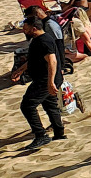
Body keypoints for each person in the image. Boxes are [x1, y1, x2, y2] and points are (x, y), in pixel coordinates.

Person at [18, 16, 67, 151]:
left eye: (25, 28)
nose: (24, 31)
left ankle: (41, 135)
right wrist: (21, 69)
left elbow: (52, 61)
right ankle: (59, 133)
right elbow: (36, 58)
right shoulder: (38, 39)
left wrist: (50, 83)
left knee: (27, 105)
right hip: (46, 79)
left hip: (45, 80)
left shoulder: (43, 41)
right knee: (50, 105)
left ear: (34, 28)